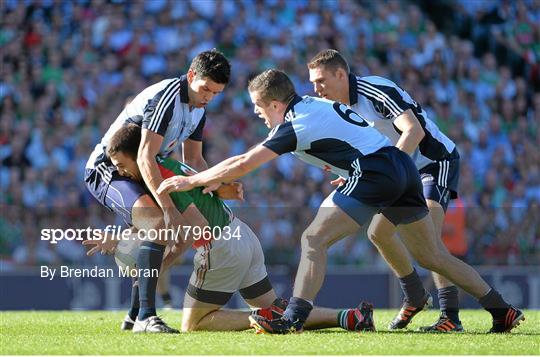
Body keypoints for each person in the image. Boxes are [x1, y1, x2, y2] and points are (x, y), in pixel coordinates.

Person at [157, 69, 524, 334]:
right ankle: (501, 310)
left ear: (273, 102)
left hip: (376, 171)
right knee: (433, 257)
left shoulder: (296, 122)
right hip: (400, 167)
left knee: (313, 239)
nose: (256, 113)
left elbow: (243, 163)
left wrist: (195, 178)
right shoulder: (317, 106)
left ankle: (294, 317)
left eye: (258, 106)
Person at [86, 124, 375, 333]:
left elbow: (195, 230)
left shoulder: (161, 177)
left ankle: (259, 320)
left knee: (193, 323)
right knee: (282, 311)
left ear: (138, 155)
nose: (120, 173)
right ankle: (349, 317)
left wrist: (158, 265)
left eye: (120, 165)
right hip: (242, 236)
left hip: (220, 246)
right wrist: (122, 240)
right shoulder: (171, 165)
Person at [306, 49, 464, 331]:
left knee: (429, 242)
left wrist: (388, 172)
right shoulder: (338, 110)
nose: (316, 89)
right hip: (404, 171)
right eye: (313, 83)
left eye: (320, 81)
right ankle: (415, 297)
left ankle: (450, 316)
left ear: (341, 74)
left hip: (433, 163)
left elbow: (413, 131)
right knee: (378, 233)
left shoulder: (374, 89)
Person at [83, 49, 231, 333]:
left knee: (184, 235)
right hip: (110, 169)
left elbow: (195, 161)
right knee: (158, 222)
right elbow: (144, 157)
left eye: (216, 93)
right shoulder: (167, 97)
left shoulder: (198, 108)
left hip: (144, 172)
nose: (208, 97)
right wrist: (169, 209)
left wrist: (217, 184)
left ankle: (134, 314)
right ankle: (146, 318)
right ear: (191, 75)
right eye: (205, 89)